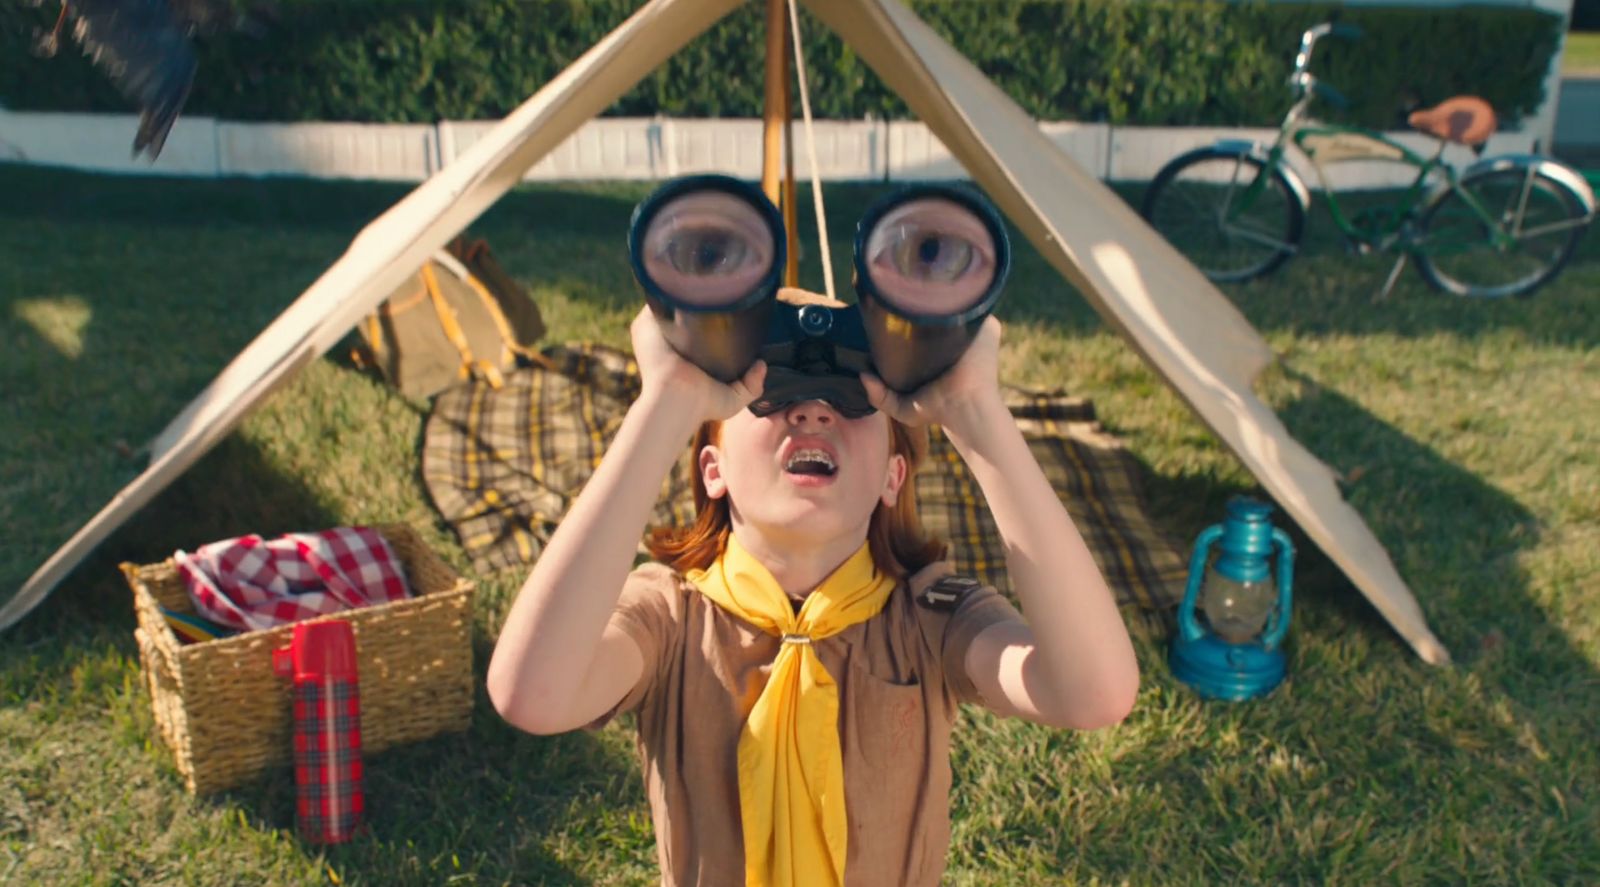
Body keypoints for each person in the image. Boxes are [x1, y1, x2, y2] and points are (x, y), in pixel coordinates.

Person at [487, 304, 1139, 886]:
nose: (812, 409)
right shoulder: (671, 614)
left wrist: (977, 416)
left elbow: (1094, 693)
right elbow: (533, 694)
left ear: (893, 475)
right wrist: (663, 404)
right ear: (712, 469)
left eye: (853, 399)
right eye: (770, 395)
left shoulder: (929, 614)